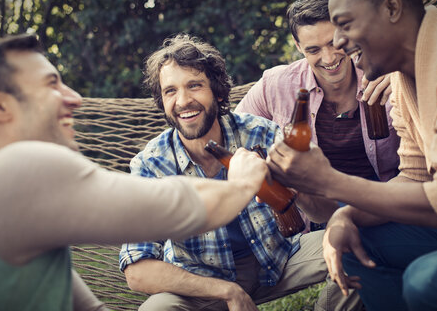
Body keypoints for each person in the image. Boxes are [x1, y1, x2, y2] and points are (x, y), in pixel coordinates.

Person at [0, 34, 269, 311]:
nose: (75, 98)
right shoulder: (13, 170)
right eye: (51, 84)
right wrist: (243, 183)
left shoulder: (11, 190)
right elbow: (177, 206)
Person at [119, 34, 361, 311]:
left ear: (218, 92)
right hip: (202, 282)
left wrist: (298, 188)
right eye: (170, 91)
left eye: (194, 86)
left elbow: (323, 212)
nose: (183, 100)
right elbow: (137, 271)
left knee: (359, 244)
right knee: (155, 310)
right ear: (161, 101)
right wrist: (227, 291)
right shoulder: (151, 164)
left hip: (277, 259)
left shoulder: (260, 132)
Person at [266, 0, 437, 310]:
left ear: (391, 9)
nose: (339, 45)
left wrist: (328, 182)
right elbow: (415, 175)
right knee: (351, 239)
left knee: (426, 279)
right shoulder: (405, 79)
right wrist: (346, 215)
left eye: (344, 25)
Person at [235, 0, 400, 231]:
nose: (329, 58)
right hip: (317, 214)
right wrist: (254, 162)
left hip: (382, 199)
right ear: (298, 46)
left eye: (333, 43)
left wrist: (403, 81)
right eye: (313, 50)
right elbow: (234, 129)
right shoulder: (277, 84)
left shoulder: (382, 71)